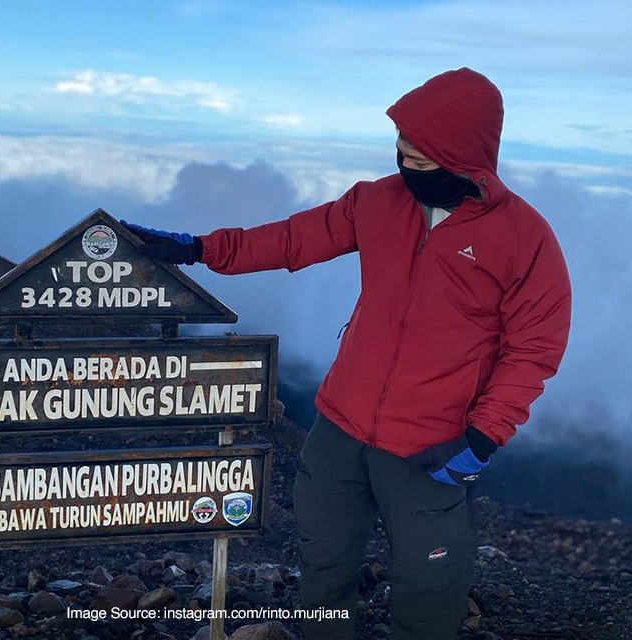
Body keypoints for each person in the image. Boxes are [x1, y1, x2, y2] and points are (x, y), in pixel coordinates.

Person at [121, 67, 571, 640]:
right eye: (401, 152)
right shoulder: (377, 201)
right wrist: (196, 248)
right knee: (324, 565)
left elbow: (536, 345)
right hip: (341, 424)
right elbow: (290, 239)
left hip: (433, 441)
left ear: (464, 159)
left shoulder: (524, 237)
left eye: (421, 160)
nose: (405, 167)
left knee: (428, 588)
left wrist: (484, 435)